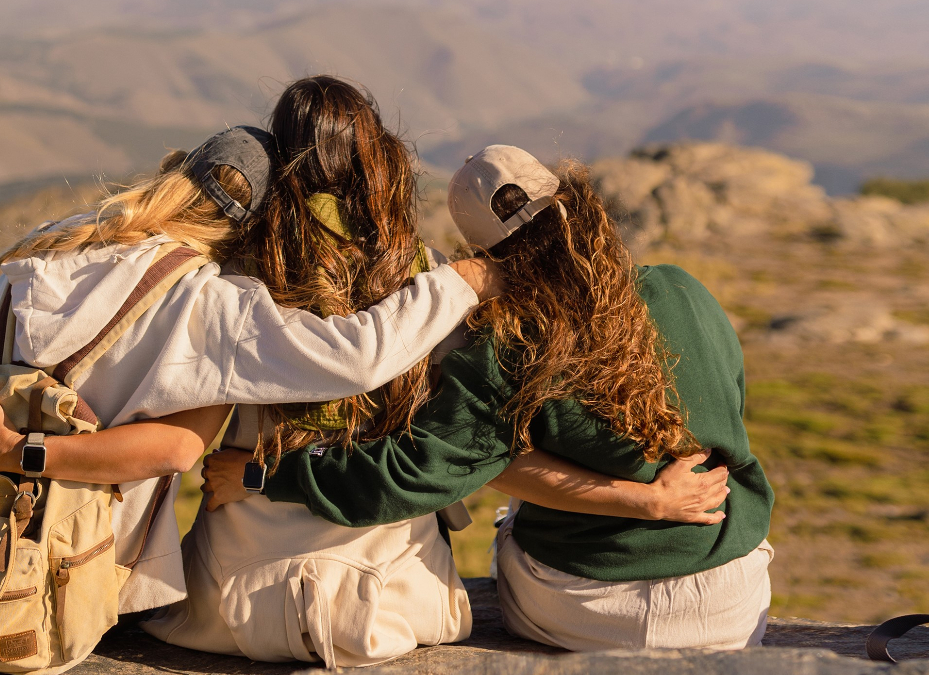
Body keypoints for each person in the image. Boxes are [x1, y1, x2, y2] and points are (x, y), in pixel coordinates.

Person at [202, 145, 774, 652]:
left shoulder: (506, 346)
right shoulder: (684, 289)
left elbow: (412, 475)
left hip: (589, 611)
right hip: (730, 601)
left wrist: (263, 477)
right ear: (578, 213)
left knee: (501, 493)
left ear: (488, 257)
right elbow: (728, 409)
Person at [0, 124, 499, 617]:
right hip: (82, 567)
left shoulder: (43, 254)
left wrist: (2, 450)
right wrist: (462, 280)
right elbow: (350, 361)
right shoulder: (209, 301)